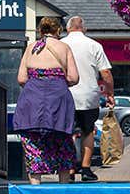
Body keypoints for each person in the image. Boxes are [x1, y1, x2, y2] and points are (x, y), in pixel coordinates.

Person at [13, 17, 79, 184]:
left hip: (32, 100)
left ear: (40, 31)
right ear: (58, 31)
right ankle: (64, 189)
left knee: (33, 144)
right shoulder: (64, 48)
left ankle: (36, 190)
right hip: (58, 101)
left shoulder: (30, 48)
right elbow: (73, 77)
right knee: (62, 143)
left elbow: (21, 78)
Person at [62, 16, 114, 182]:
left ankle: (69, 170)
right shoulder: (94, 45)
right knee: (87, 131)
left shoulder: (61, 45)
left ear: (68, 28)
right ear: (84, 29)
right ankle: (86, 169)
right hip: (88, 96)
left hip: (66, 94)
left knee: (67, 132)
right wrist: (109, 94)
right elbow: (105, 73)